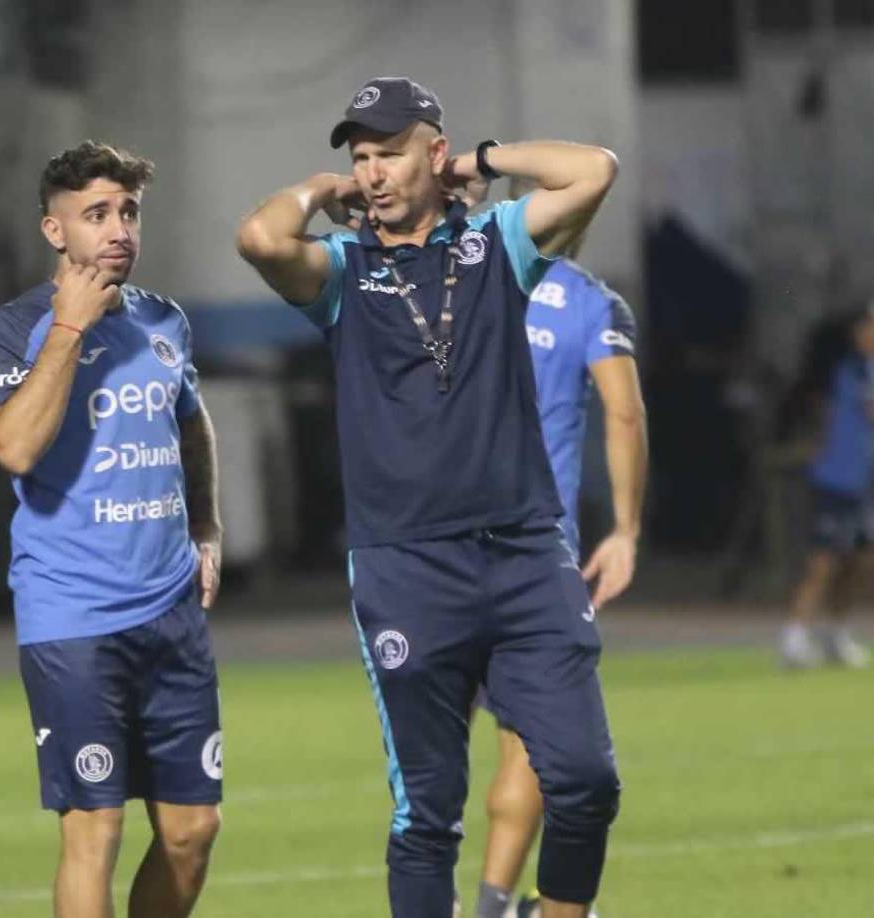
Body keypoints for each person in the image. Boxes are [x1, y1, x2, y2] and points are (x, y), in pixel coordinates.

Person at [237, 77, 621, 918]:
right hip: (405, 566)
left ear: (433, 153)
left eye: (389, 153)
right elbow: (260, 237)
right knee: (428, 814)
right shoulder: (343, 269)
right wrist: (322, 190)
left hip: (524, 554)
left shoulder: (496, 245)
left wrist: (482, 160)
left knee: (587, 778)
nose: (371, 172)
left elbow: (592, 169)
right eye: (360, 157)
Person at [0, 142, 224, 918]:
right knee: (96, 831)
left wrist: (207, 527)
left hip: (172, 616)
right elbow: (13, 446)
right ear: (55, 231)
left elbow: (191, 426)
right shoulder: (14, 330)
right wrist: (69, 330)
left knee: (192, 832)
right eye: (96, 214)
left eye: (128, 212)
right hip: (74, 620)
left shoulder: (162, 320)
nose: (118, 229)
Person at [476, 233, 648, 918]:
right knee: (535, 742)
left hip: (431, 547)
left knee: (430, 755)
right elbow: (625, 412)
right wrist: (627, 529)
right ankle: (496, 907)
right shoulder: (590, 303)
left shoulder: (448, 285)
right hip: (534, 553)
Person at [780, 298, 874, 669]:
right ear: (860, 331)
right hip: (835, 481)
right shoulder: (853, 369)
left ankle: (835, 634)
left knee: (862, 559)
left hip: (859, 484)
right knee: (823, 561)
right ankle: (794, 639)